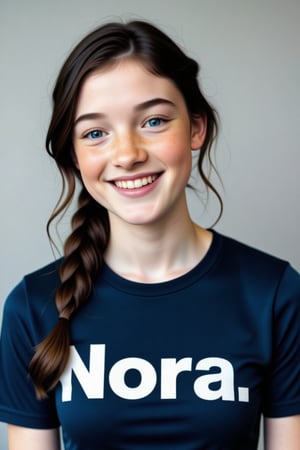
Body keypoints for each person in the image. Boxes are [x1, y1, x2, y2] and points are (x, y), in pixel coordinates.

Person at [0, 20, 300, 450]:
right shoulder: (32, 306)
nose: (127, 154)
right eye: (96, 133)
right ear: (75, 154)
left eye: (154, 121)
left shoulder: (274, 294)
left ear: (196, 128)